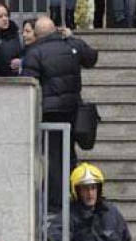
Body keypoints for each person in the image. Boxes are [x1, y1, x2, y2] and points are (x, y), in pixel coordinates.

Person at [22, 16, 98, 213]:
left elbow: (28, 85)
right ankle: (72, 198)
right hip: (72, 111)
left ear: (37, 35)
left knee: (52, 159)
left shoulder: (35, 52)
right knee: (68, 156)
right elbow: (91, 57)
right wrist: (73, 38)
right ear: (56, 30)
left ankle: (57, 205)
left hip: (49, 113)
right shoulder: (70, 46)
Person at [0, 1, 23, 69]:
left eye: (6, 15)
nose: (5, 19)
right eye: (0, 17)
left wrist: (20, 61)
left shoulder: (15, 33)